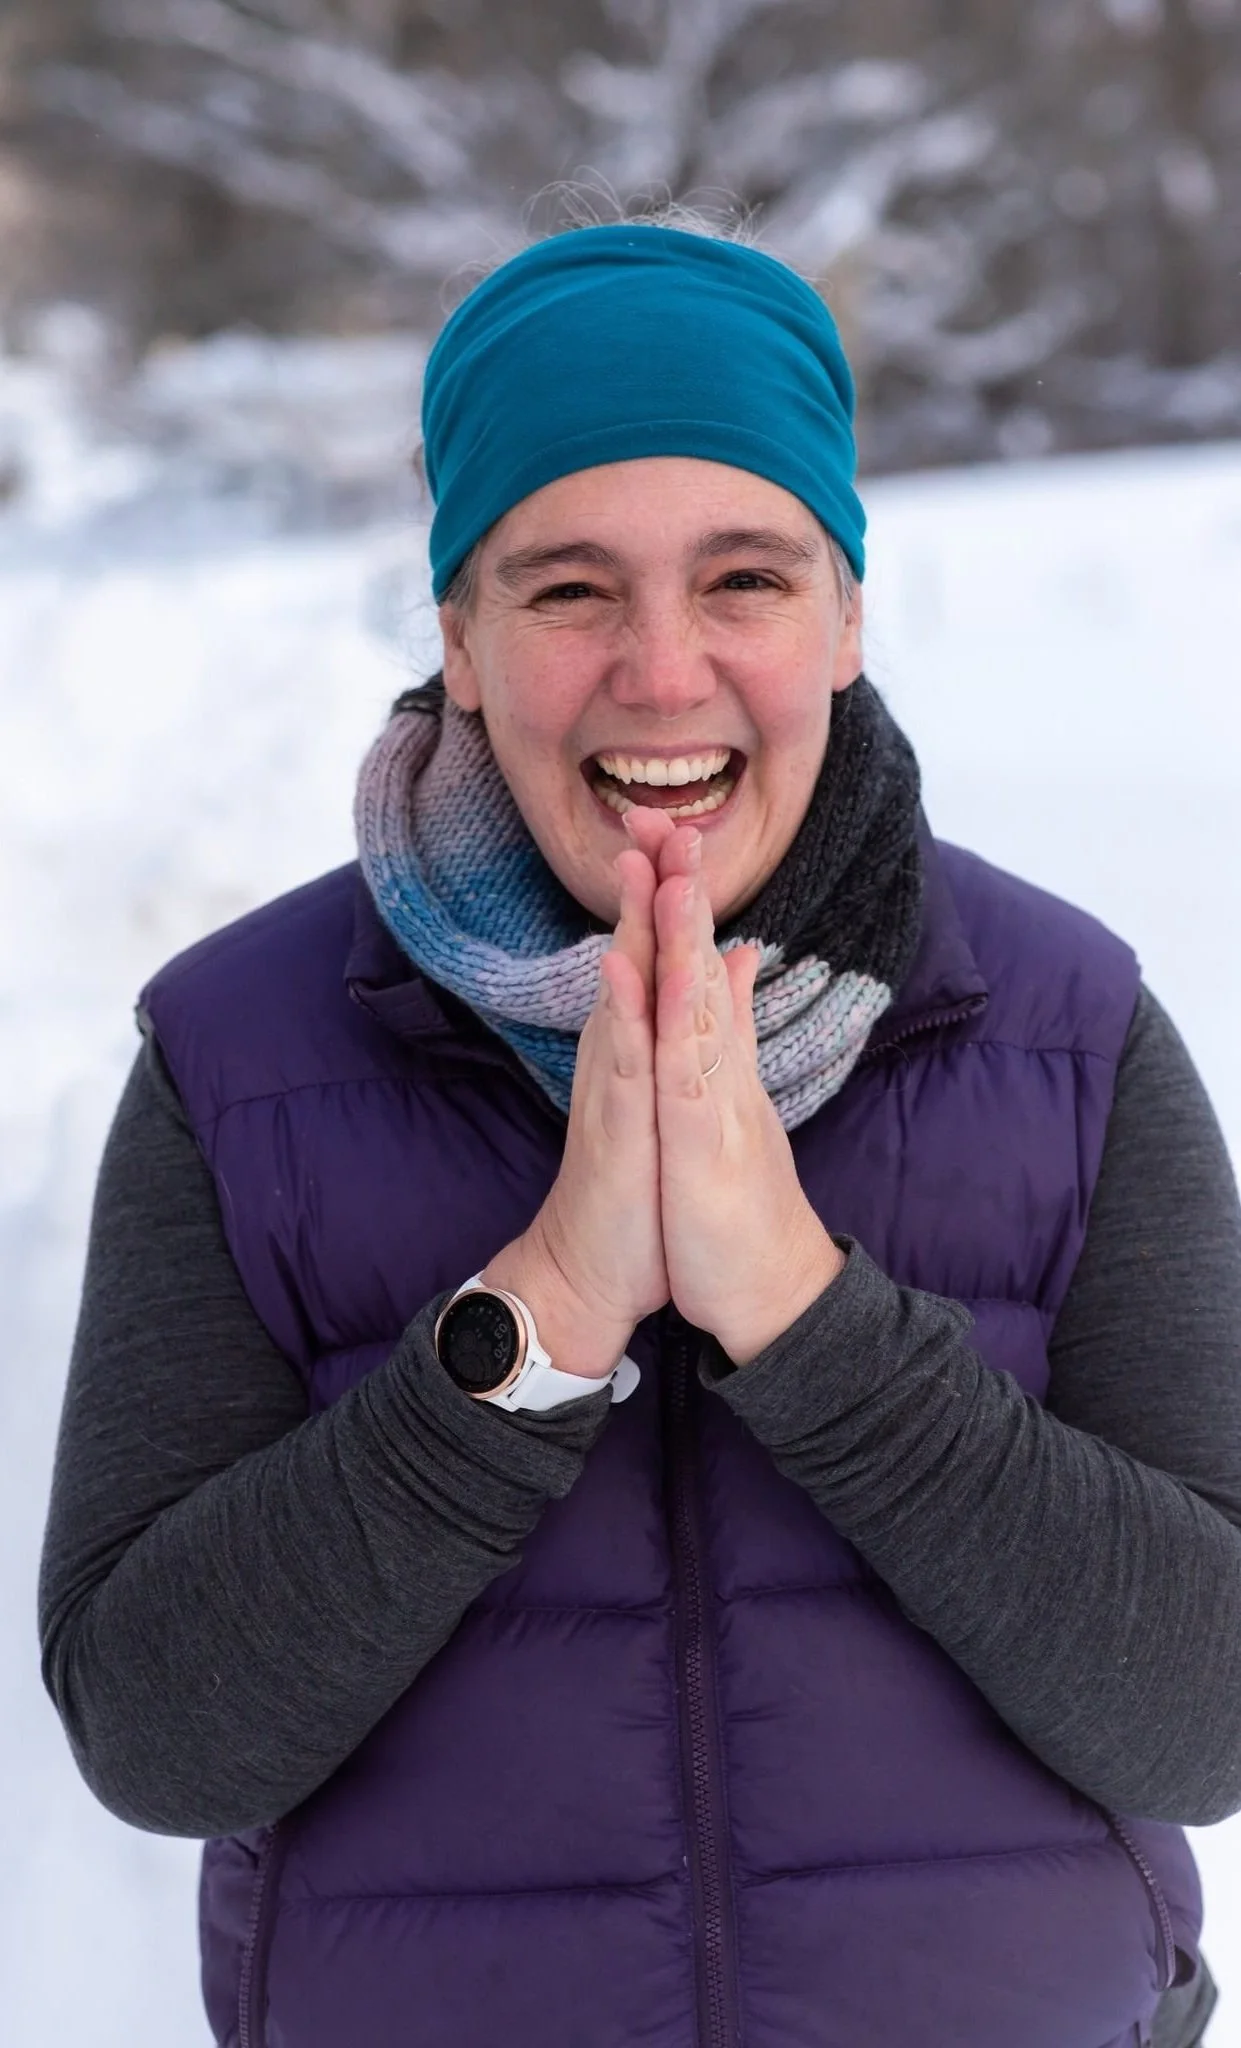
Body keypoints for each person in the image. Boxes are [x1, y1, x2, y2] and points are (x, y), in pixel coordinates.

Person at [37, 216, 1241, 2048]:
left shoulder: (1068, 1033)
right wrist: (541, 1314)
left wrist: (814, 1324)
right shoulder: (237, 1062)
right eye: (568, 587)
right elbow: (158, 1731)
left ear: (847, 613)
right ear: (459, 628)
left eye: (745, 579)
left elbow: (1211, 1712)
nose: (663, 676)